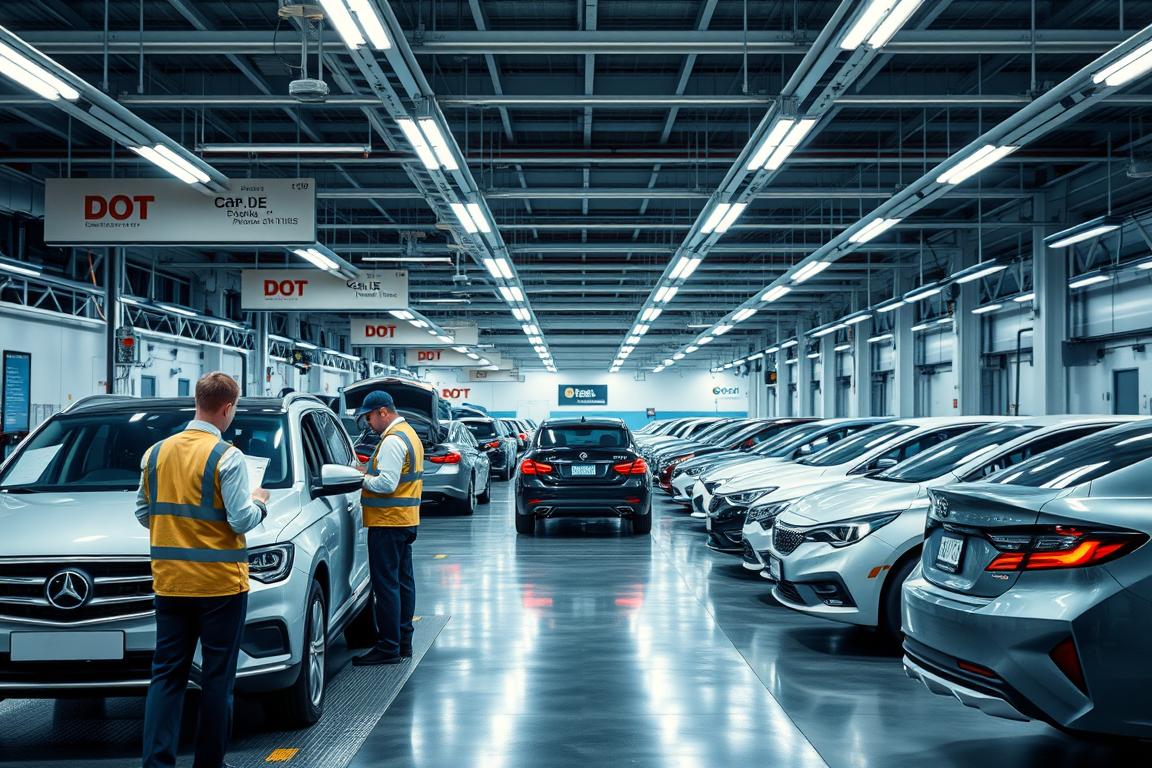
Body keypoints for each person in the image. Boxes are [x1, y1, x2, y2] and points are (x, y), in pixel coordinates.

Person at [136, 372, 269, 768]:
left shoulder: (155, 454)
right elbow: (241, 520)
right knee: (216, 679)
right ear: (227, 408)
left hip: (170, 584)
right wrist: (259, 500)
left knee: (166, 676)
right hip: (219, 588)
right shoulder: (226, 456)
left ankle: (157, 763)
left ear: (197, 400)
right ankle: (209, 764)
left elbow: (144, 513)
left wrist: (178, 528)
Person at [352, 390, 424, 666]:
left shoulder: (393, 441)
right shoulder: (409, 434)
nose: (368, 423)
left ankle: (389, 647)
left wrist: (361, 478)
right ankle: (403, 642)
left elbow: (386, 484)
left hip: (388, 522)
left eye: (369, 417)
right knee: (403, 583)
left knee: (386, 587)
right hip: (404, 520)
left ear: (383, 412)